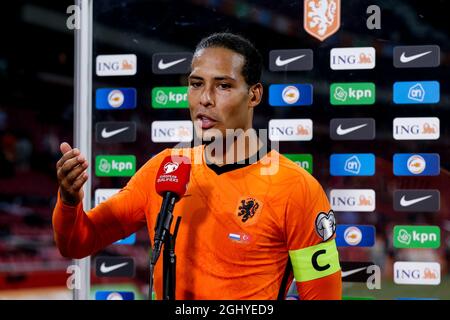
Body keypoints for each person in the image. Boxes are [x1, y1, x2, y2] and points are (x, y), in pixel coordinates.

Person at [53, 32, 342, 300]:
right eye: (196, 84)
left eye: (223, 86)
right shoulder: (164, 169)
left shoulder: (297, 189)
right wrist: (68, 202)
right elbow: (77, 243)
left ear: (253, 95)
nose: (205, 99)